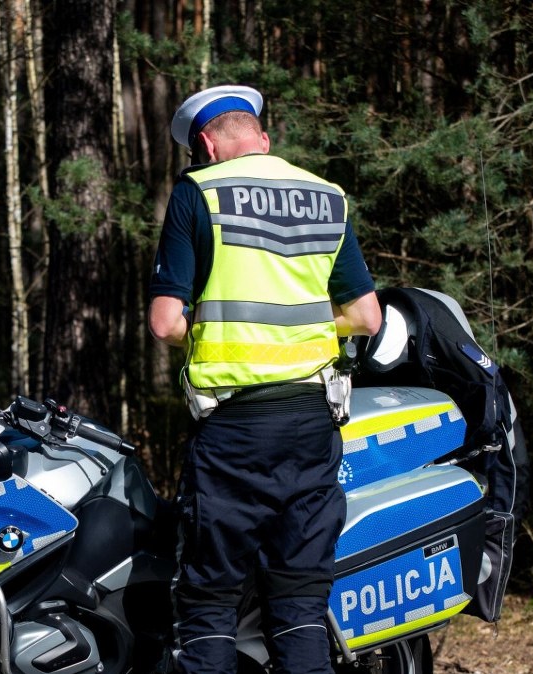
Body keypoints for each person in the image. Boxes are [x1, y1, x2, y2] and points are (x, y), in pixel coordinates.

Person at [148, 85, 382, 674]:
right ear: (264, 140)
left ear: (204, 144)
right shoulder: (328, 197)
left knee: (208, 604)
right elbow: (366, 318)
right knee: (300, 603)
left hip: (235, 433)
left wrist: (212, 325)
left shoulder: (197, 192)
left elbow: (165, 322)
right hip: (312, 425)